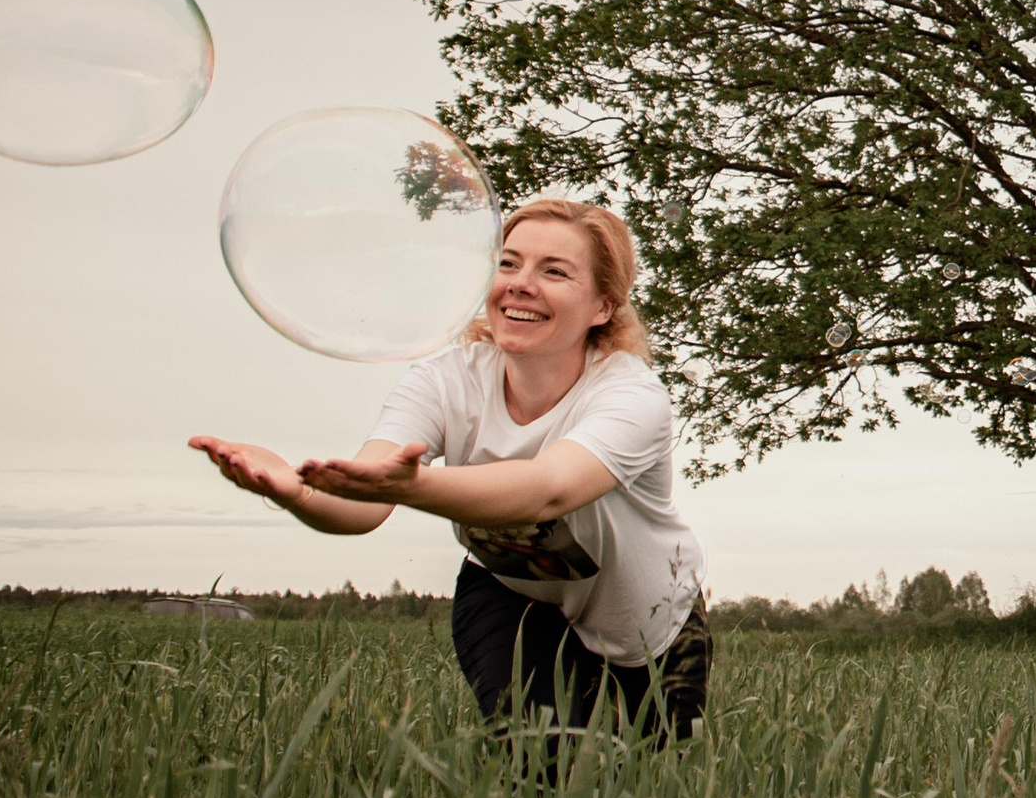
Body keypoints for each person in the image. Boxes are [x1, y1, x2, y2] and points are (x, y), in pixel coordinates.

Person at [191, 197, 711, 744]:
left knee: (652, 783)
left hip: (652, 623)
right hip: (510, 593)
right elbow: (364, 500)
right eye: (508, 263)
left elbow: (549, 491)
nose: (519, 283)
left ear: (604, 306)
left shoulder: (630, 394)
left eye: (553, 271)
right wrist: (295, 491)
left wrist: (414, 486)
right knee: (538, 760)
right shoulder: (445, 380)